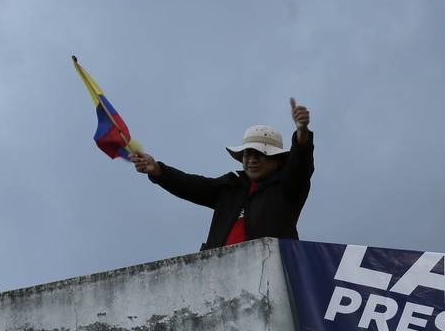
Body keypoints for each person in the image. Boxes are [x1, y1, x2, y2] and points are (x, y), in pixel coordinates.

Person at [130, 99, 313, 251]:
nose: (251, 160)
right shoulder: (230, 187)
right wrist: (158, 170)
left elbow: (301, 163)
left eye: (260, 154)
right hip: (218, 273)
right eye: (247, 154)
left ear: (277, 160)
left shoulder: (288, 186)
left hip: (270, 273)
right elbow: (191, 185)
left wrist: (302, 132)